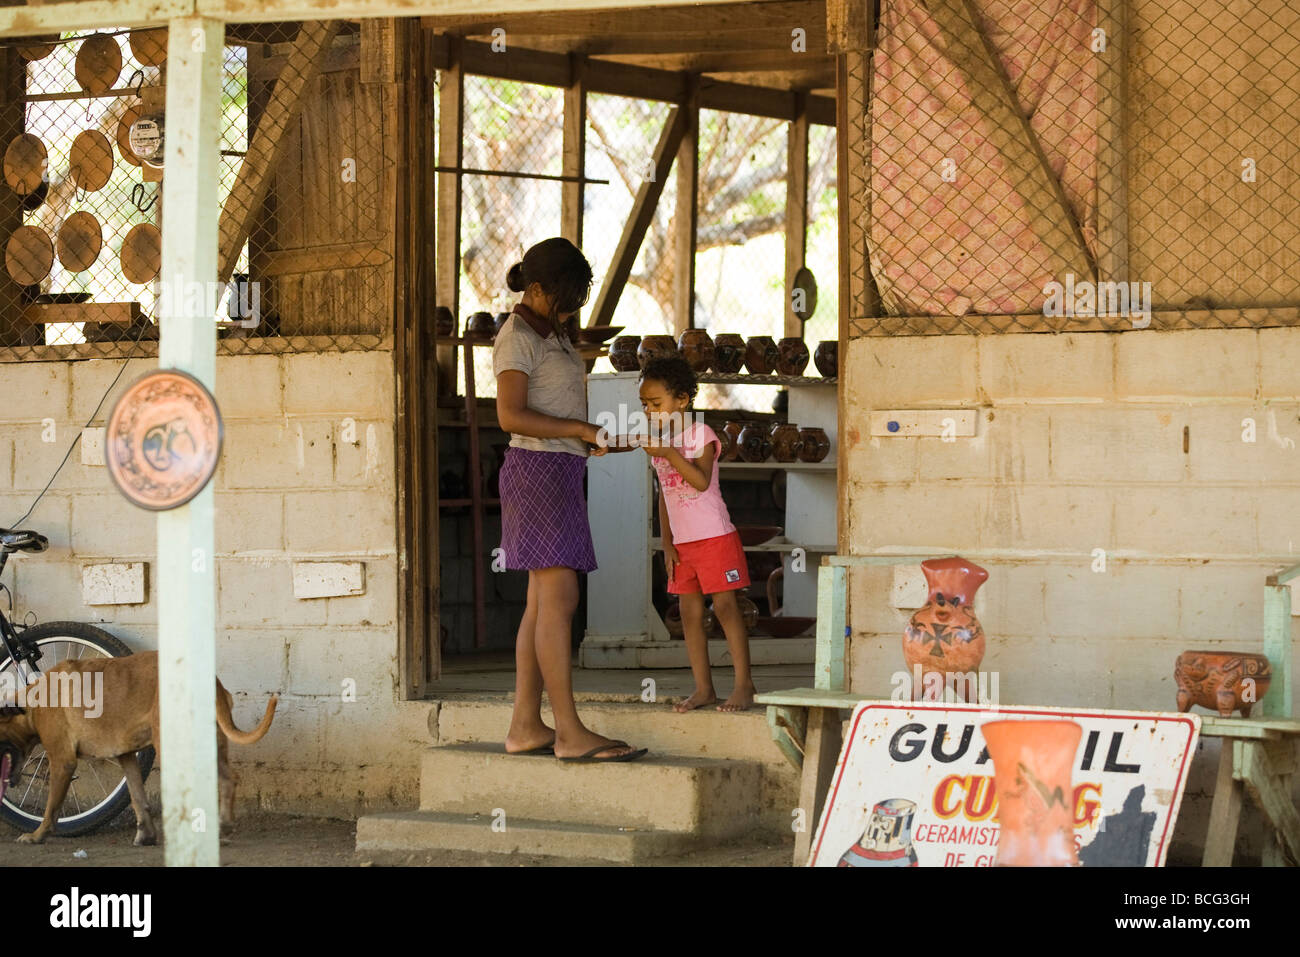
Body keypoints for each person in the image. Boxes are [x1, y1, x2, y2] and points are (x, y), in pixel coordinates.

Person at [493, 237, 647, 762]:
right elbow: (510, 416)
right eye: (561, 296)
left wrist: (581, 438)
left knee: (541, 605)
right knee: (561, 601)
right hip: (535, 471)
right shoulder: (516, 337)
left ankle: (524, 726)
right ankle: (569, 732)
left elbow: (549, 409)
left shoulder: (552, 332)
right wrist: (577, 427)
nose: (569, 307)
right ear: (534, 288)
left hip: (557, 466)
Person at [637, 355, 756, 712]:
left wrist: (670, 453)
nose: (649, 411)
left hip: (714, 537)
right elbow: (665, 495)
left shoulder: (699, 435)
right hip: (682, 545)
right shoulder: (661, 442)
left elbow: (701, 482)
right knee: (689, 614)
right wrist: (667, 543)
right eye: (644, 405)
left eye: (656, 404)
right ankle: (704, 688)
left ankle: (744, 685)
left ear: (683, 400)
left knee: (725, 607)